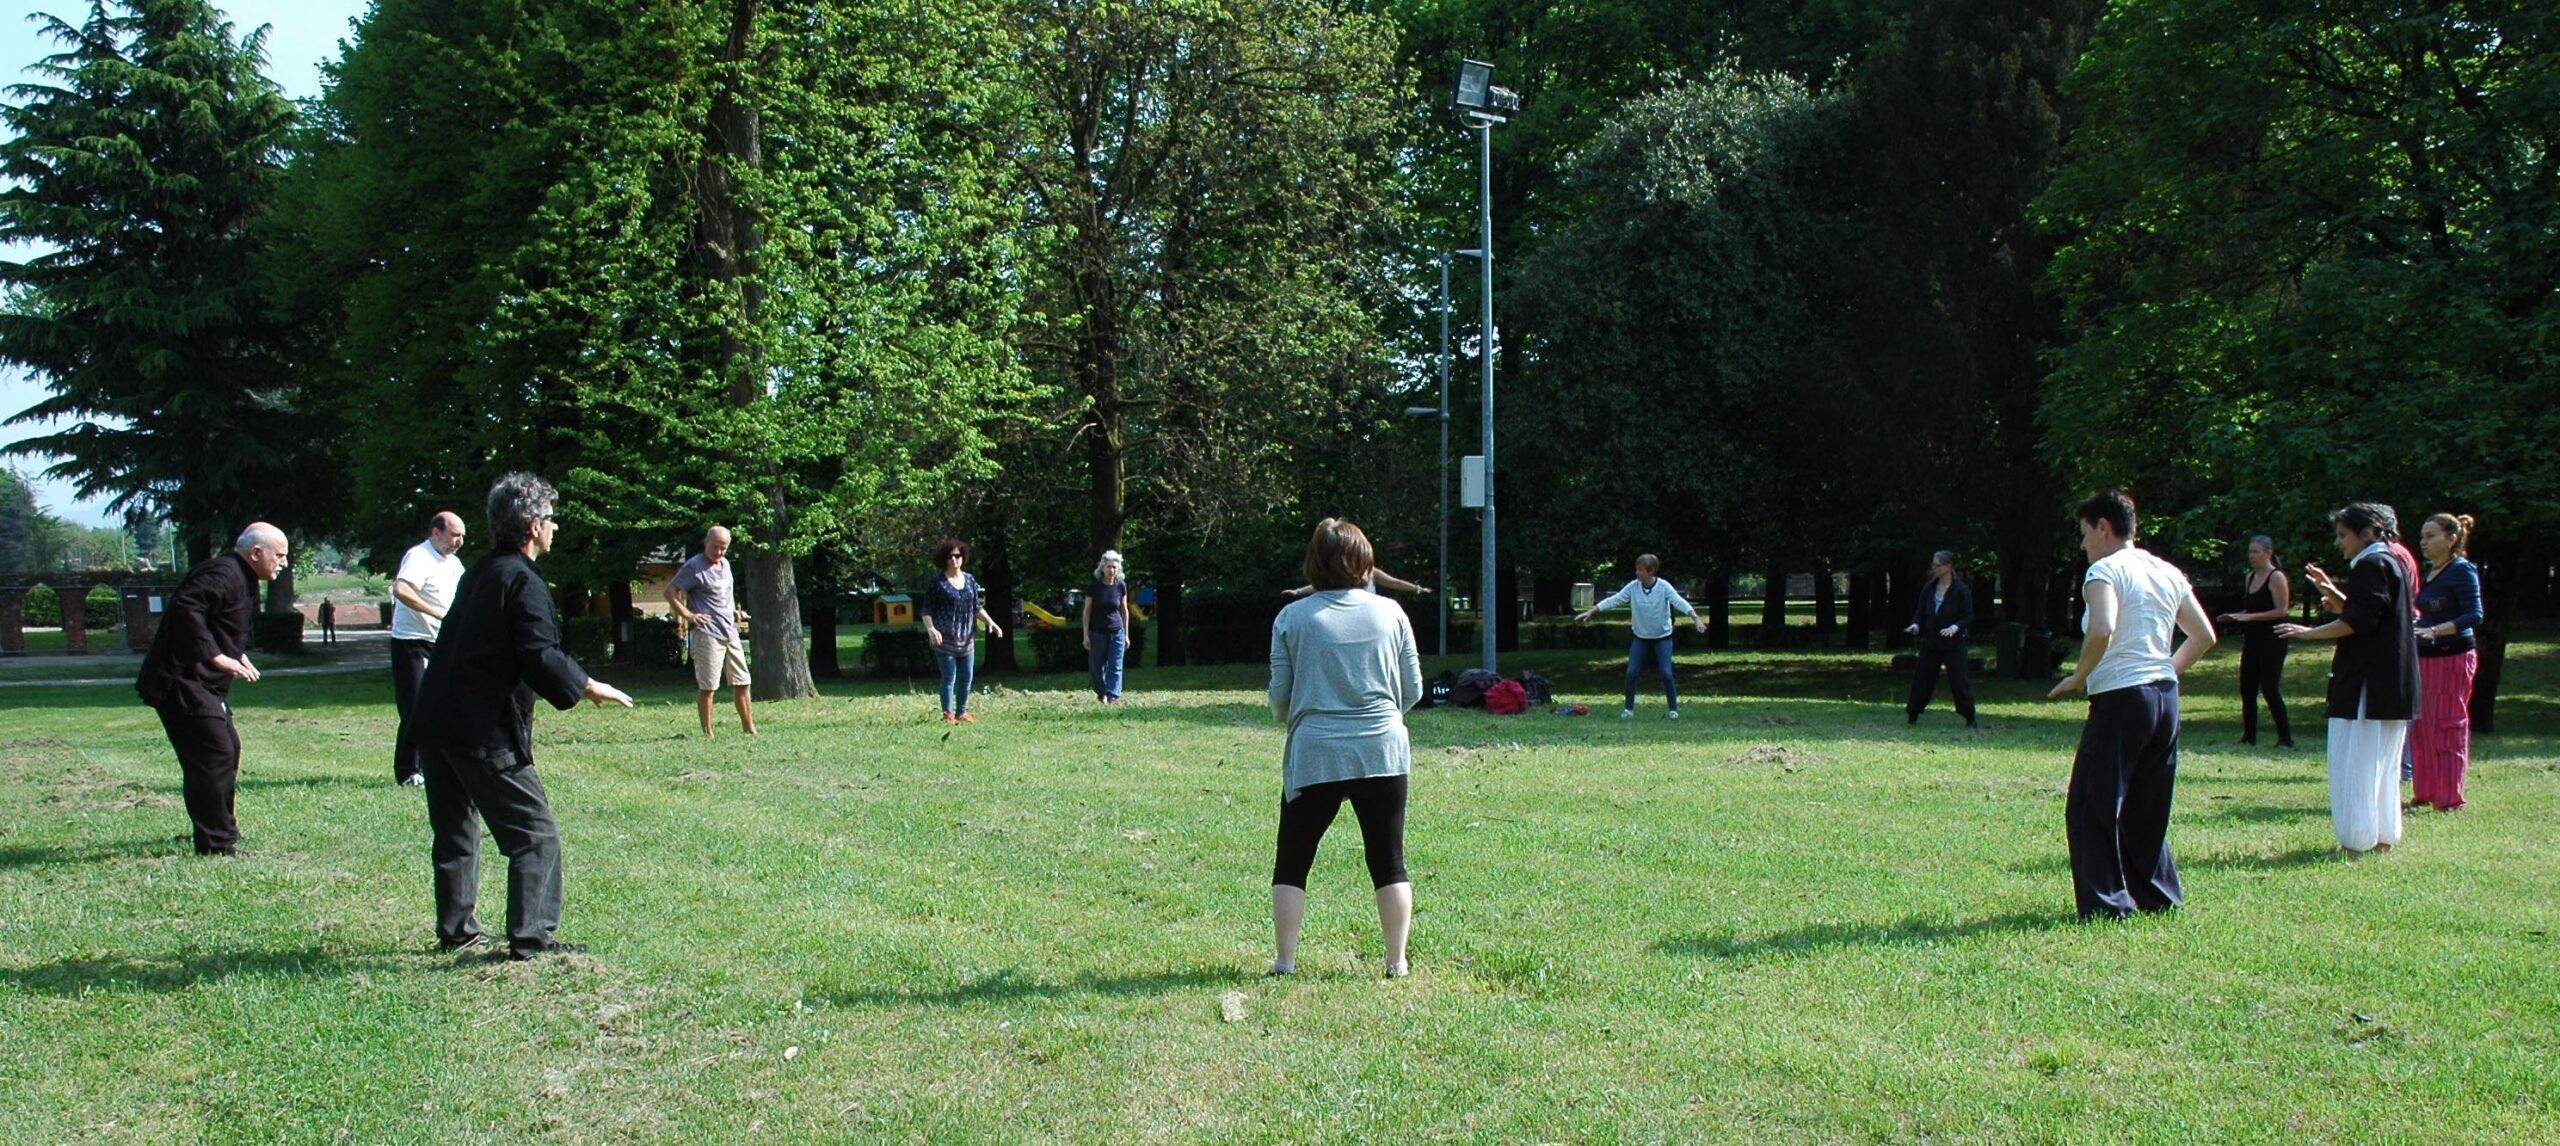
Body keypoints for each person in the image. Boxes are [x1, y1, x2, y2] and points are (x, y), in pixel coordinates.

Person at [413, 473, 632, 959]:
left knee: (456, 830)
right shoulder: (522, 581)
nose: (555, 528)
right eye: (552, 520)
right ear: (534, 527)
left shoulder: (482, 571)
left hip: (434, 718)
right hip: (478, 726)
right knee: (535, 833)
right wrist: (588, 685)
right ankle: (532, 938)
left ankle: (456, 929)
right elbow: (539, 653)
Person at [2048, 490, 2216, 919]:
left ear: (2103, 526)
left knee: (2092, 803)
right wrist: (2166, 672)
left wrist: (2080, 676)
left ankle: (2107, 904)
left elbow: (2102, 627)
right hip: (2164, 698)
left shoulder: (2104, 571)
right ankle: (2157, 896)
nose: (2083, 545)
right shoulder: (2165, 571)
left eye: (2085, 534)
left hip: (2122, 698)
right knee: (2147, 804)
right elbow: (2203, 636)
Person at [1267, 518, 1423, 978]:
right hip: (1383, 749)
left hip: (1315, 752)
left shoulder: (1292, 617)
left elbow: (1280, 696)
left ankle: (1285, 962)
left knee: (1293, 858)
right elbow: (1412, 688)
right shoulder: (1392, 613)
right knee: (1389, 858)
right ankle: (1396, 963)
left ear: (1314, 563)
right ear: (1365, 562)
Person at [2277, 502, 2420, 855]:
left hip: (2366, 683)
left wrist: (2306, 633)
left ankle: (2355, 842)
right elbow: (2369, 612)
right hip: (2392, 681)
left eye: (2343, 535)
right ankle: (2383, 836)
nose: (2339, 543)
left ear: (2368, 532)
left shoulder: (2371, 564)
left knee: (2354, 762)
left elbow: (2359, 622)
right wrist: (2335, 593)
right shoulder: (2393, 561)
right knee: (2383, 765)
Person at [136, 523, 287, 855]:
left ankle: (222, 830)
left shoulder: (240, 577)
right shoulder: (223, 573)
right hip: (180, 682)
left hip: (202, 685)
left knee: (226, 748)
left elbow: (214, 620)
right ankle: (216, 844)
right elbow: (185, 609)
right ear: (256, 553)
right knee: (213, 754)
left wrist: (236, 653)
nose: (284, 563)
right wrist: (217, 656)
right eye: (280, 555)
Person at [2409, 513, 2482, 812]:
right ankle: (2424, 793)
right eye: (2423, 537)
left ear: (2452, 538)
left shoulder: (2462, 571)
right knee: (2422, 726)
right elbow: (2425, 611)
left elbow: (2474, 615)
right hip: (2424, 656)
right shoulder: (2430, 573)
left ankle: (2450, 799)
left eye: (2431, 536)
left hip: (2452, 657)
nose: (2424, 543)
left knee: (2448, 725)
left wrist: (2436, 630)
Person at [1574, 554, 1706, 720]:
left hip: (1662, 637)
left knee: (1666, 673)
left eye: (1640, 569)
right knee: (1631, 672)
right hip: (1641, 637)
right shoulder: (1633, 587)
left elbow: (1679, 602)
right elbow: (1615, 599)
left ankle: (1673, 709)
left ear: (1650, 571)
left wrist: (1695, 618)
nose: (1637, 572)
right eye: (1637, 569)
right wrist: (1592, 611)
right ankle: (1628, 709)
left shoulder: (1663, 587)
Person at [389, 511, 467, 786]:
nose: (459, 541)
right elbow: (401, 590)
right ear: (436, 533)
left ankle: (445, 765)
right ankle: (408, 771)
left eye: (462, 536)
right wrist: (436, 612)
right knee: (415, 707)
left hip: (442, 643)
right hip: (412, 642)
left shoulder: (454, 564)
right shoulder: (419, 556)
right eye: (454, 535)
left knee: (446, 705)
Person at [666, 525, 755, 738]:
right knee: (708, 686)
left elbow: (726, 594)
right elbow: (670, 591)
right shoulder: (694, 567)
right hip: (707, 634)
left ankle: (749, 728)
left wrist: (733, 611)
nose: (719, 552)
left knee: (743, 681)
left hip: (729, 631)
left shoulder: (725, 565)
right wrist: (688, 615)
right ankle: (708, 733)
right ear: (706, 542)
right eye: (715, 547)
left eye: (724, 548)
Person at [2215, 535, 2294, 748]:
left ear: (2269, 553)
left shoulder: (2276, 577)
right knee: (2247, 688)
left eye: (2256, 552)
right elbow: (2251, 610)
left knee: (2269, 688)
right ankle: (2249, 736)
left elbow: (2281, 610)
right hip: (2253, 640)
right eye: (2250, 552)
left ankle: (2285, 737)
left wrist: (2249, 617)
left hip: (2273, 639)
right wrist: (2234, 616)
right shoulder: (2249, 577)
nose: (2252, 556)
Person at [923, 538, 1004, 723]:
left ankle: (962, 711)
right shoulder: (938, 583)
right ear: (944, 559)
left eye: (958, 556)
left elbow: (977, 607)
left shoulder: (970, 580)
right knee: (949, 678)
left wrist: (992, 623)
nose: (954, 559)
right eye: (950, 556)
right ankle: (948, 714)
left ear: (963, 557)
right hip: (944, 641)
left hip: (966, 640)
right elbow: (926, 610)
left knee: (966, 677)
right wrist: (931, 629)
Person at [1903, 550, 1977, 728]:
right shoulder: (1929, 589)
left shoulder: (1961, 590)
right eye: (1933, 565)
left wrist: (1954, 628)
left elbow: (1967, 616)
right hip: (1931, 642)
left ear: (1948, 567)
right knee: (1922, 679)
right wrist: (1916, 626)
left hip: (1954, 644)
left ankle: (1970, 717)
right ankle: (1913, 714)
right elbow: (1920, 614)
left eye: (1937, 565)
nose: (1934, 568)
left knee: (1958, 680)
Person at [1082, 549, 1134, 704]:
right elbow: (1086, 612)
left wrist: (1126, 634)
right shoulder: (1094, 587)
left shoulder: (1121, 586)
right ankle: (1101, 692)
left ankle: (1113, 697)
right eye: (1109, 566)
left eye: (1115, 567)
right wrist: (1085, 635)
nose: (1112, 570)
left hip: (1116, 632)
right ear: (1102, 568)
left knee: (1115, 666)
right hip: (1096, 633)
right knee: (1095, 668)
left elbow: (1124, 610)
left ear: (1118, 570)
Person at [1283, 568, 1431, 598]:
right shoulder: (1340, 572)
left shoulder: (1372, 572)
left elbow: (1395, 583)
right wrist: (1298, 592)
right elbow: (1320, 586)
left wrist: (1417, 588)